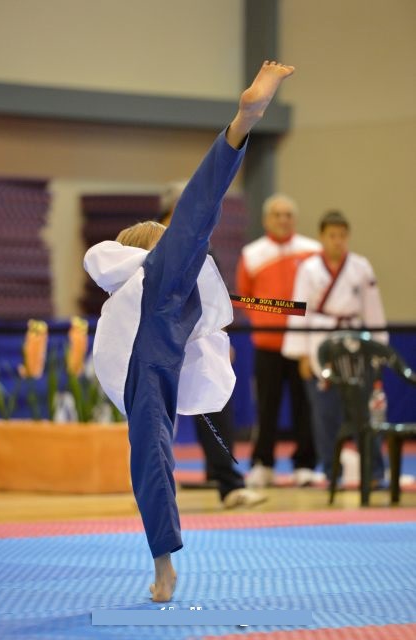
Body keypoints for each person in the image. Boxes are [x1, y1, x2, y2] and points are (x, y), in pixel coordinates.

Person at [84, 60, 295, 603]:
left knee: (150, 457)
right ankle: (243, 122)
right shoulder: (156, 273)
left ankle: (164, 563)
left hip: (152, 361)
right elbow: (198, 208)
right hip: (152, 349)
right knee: (151, 459)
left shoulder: (152, 292)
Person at [158, 182, 264, 509]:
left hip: (200, 341)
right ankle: (152, 489)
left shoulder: (201, 239)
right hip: (161, 340)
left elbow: (215, 296)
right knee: (157, 416)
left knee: (214, 407)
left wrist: (221, 337)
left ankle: (229, 484)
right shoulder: (151, 239)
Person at [282, 210, 387, 483]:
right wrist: (302, 355)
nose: (337, 241)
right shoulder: (309, 268)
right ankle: (331, 472)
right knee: (325, 415)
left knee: (363, 413)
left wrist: (379, 349)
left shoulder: (361, 267)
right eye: (332, 235)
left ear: (347, 236)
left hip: (354, 344)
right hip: (320, 344)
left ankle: (375, 472)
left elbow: (373, 310)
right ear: (322, 237)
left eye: (342, 235)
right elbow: (299, 310)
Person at [236, 194, 321, 487]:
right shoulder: (252, 254)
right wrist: (265, 320)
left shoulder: (312, 251)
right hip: (267, 344)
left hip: (303, 346)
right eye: (277, 214)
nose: (283, 220)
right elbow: (245, 295)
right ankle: (263, 464)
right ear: (266, 220)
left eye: (288, 214)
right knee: (266, 407)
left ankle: (305, 465)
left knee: (304, 406)